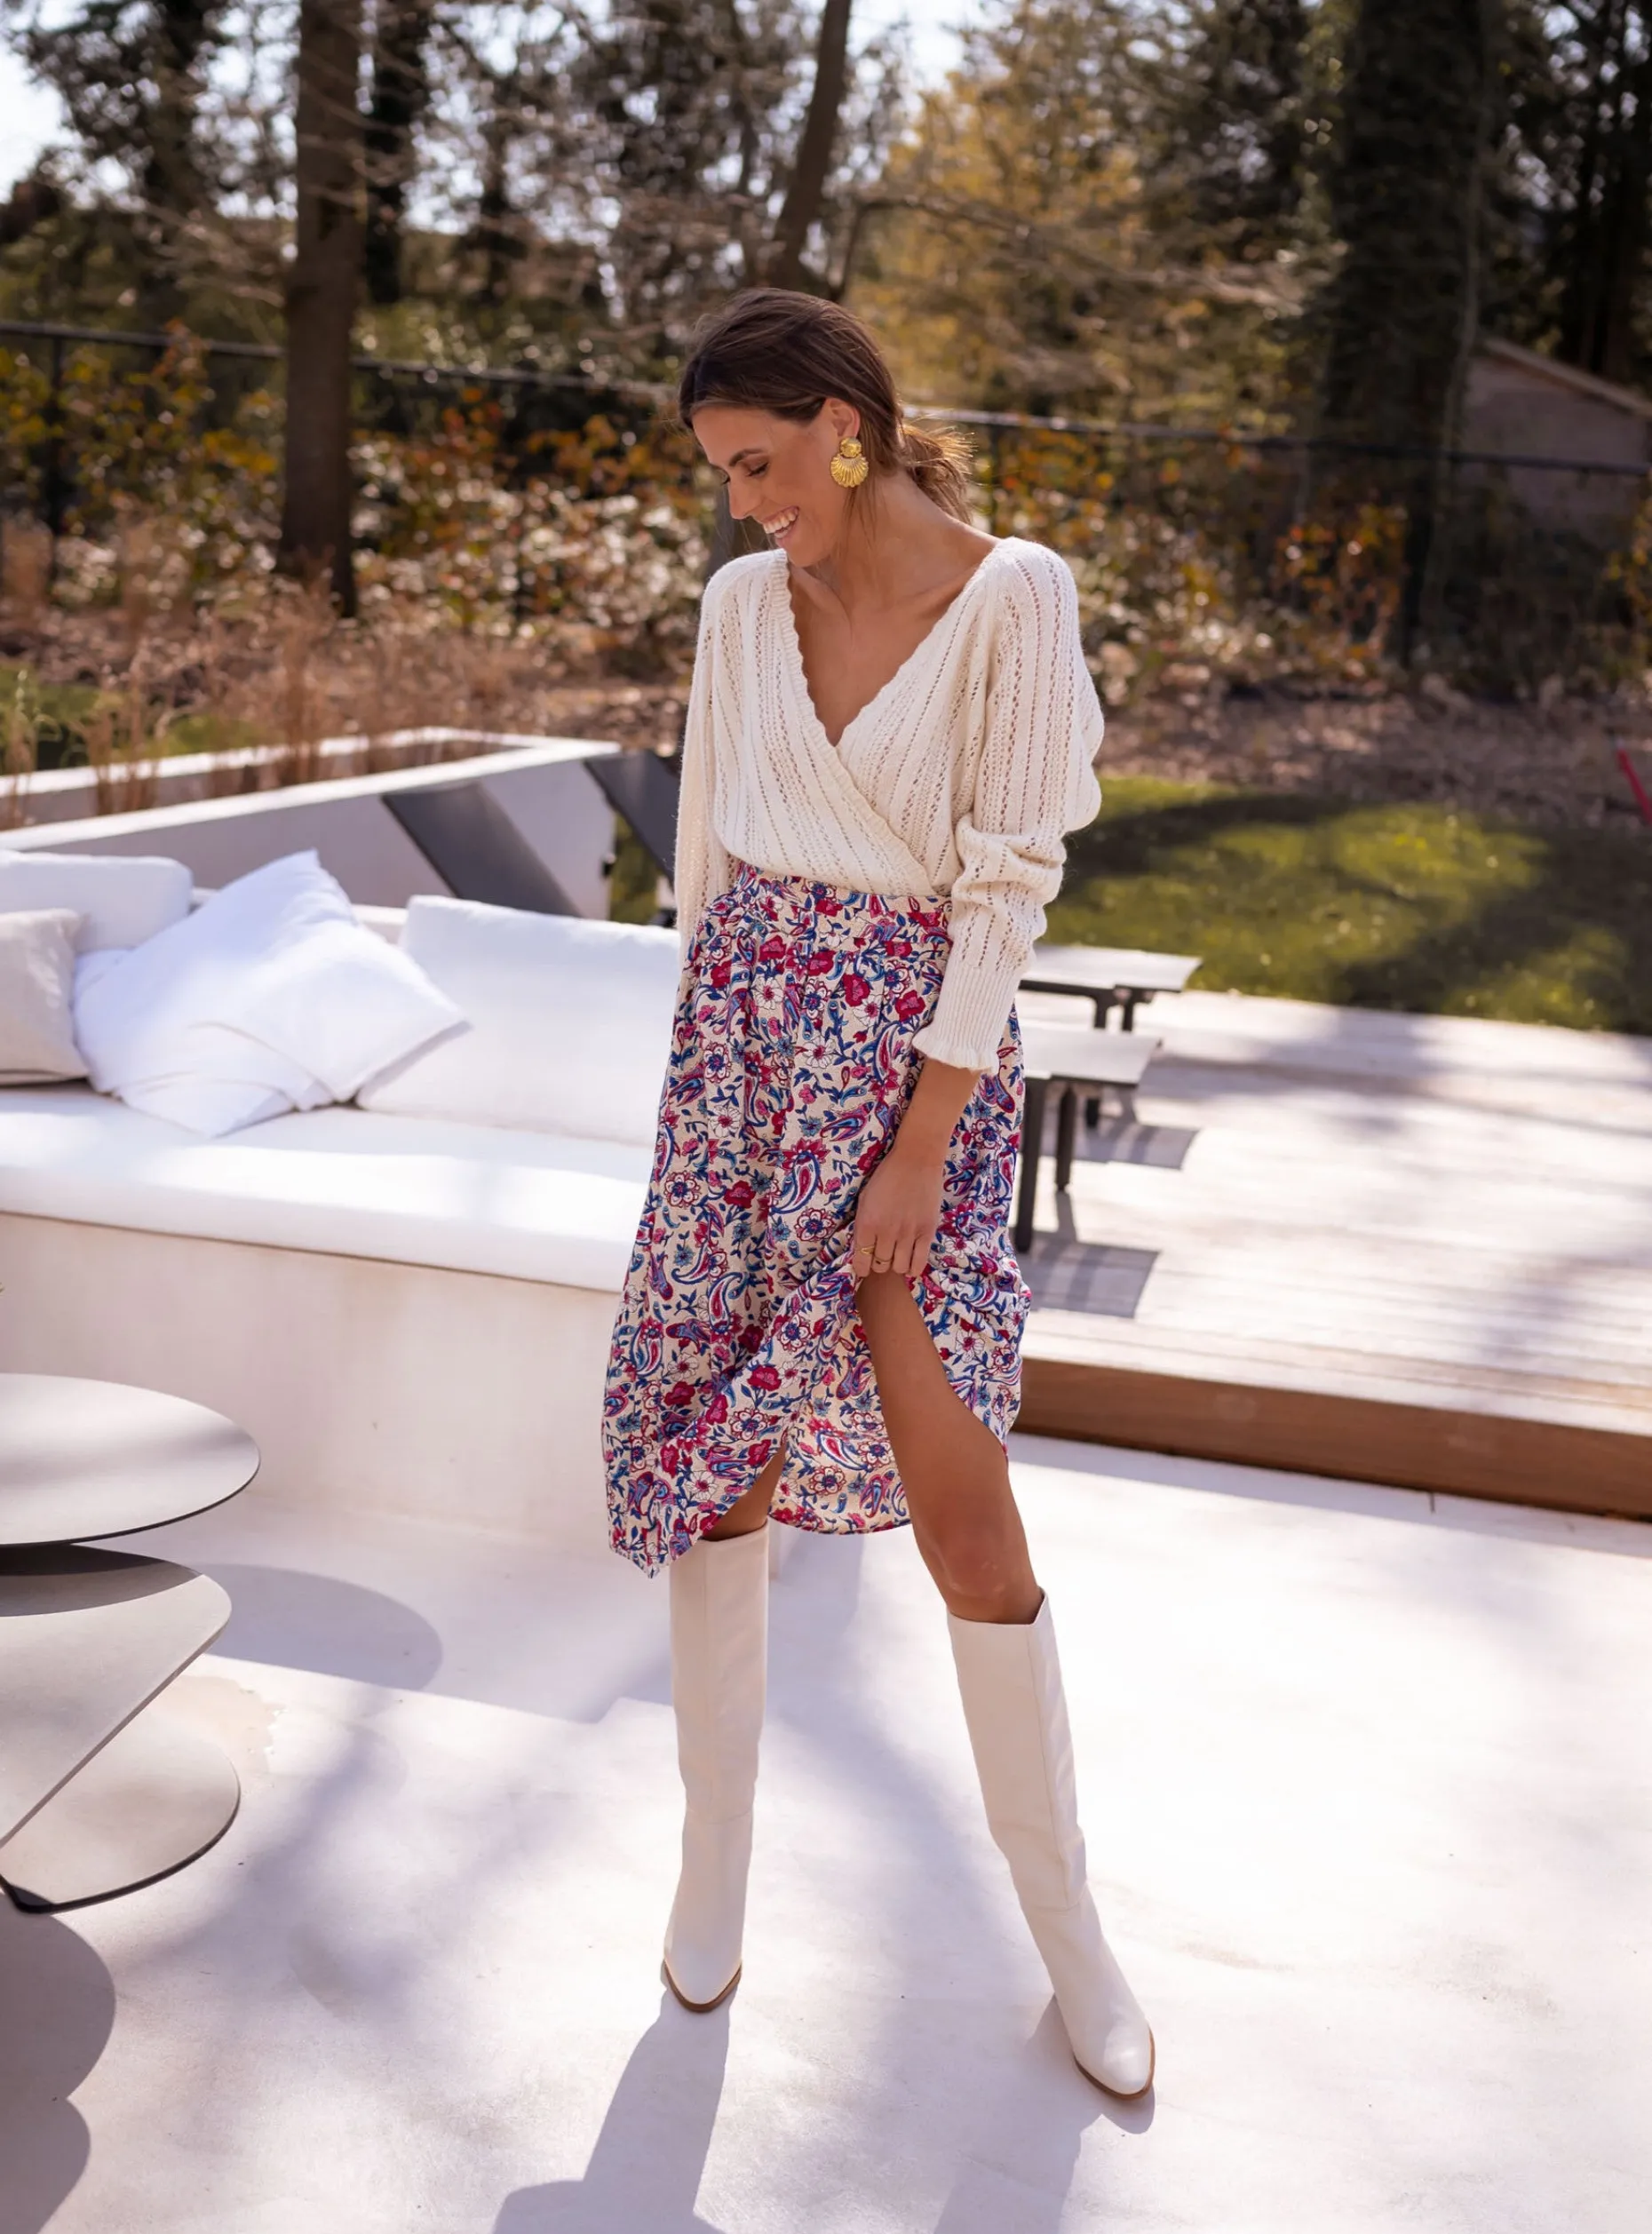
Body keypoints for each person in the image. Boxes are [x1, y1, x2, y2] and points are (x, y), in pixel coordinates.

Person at [602, 289, 1153, 2100]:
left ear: (846, 425)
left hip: (917, 1082)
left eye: (760, 463)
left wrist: (920, 1147)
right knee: (724, 1477)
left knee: (966, 1517)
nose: (746, 504)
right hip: (743, 1072)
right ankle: (711, 1874)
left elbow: (1005, 893)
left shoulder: (1014, 597)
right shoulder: (739, 609)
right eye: (724, 475)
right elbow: (708, 865)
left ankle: (1069, 1930)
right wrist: (701, 1111)